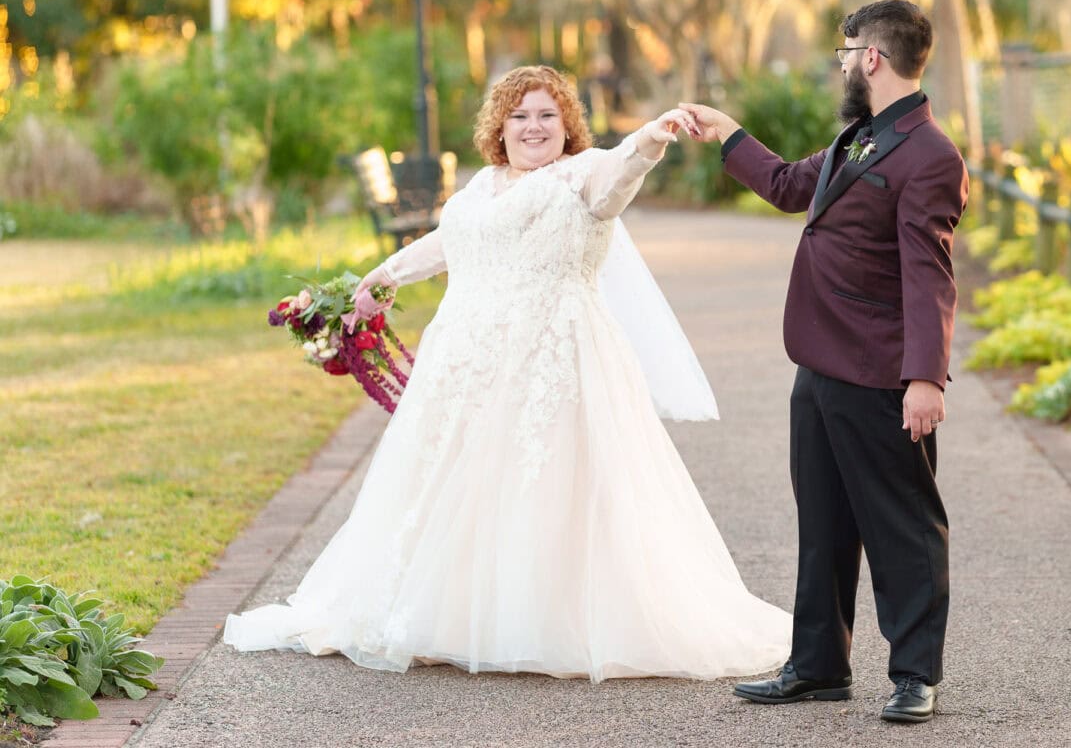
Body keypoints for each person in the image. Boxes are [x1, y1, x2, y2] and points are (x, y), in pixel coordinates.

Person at [225, 65, 791, 680]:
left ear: (566, 123)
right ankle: (452, 615)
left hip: (554, 355)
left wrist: (652, 136)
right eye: (520, 116)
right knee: (461, 485)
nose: (533, 127)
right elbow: (448, 244)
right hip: (468, 361)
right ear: (499, 125)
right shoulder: (481, 187)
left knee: (547, 482)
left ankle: (542, 620)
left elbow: (620, 172)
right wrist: (381, 278)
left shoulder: (582, 175)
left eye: (547, 115)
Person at [680, 0, 967, 723]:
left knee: (902, 524)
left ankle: (914, 676)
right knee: (825, 521)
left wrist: (925, 377)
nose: (840, 67)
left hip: (880, 373)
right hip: (819, 366)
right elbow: (785, 187)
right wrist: (726, 132)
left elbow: (928, 272)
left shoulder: (930, 154)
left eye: (844, 54)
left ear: (870, 57)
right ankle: (818, 665)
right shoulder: (859, 140)